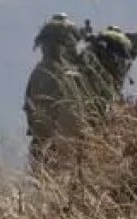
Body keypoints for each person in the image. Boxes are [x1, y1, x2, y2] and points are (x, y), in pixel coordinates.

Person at [23, 13, 89, 167]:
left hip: (40, 149)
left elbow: (30, 112)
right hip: (62, 156)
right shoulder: (67, 76)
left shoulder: (38, 72)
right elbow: (70, 121)